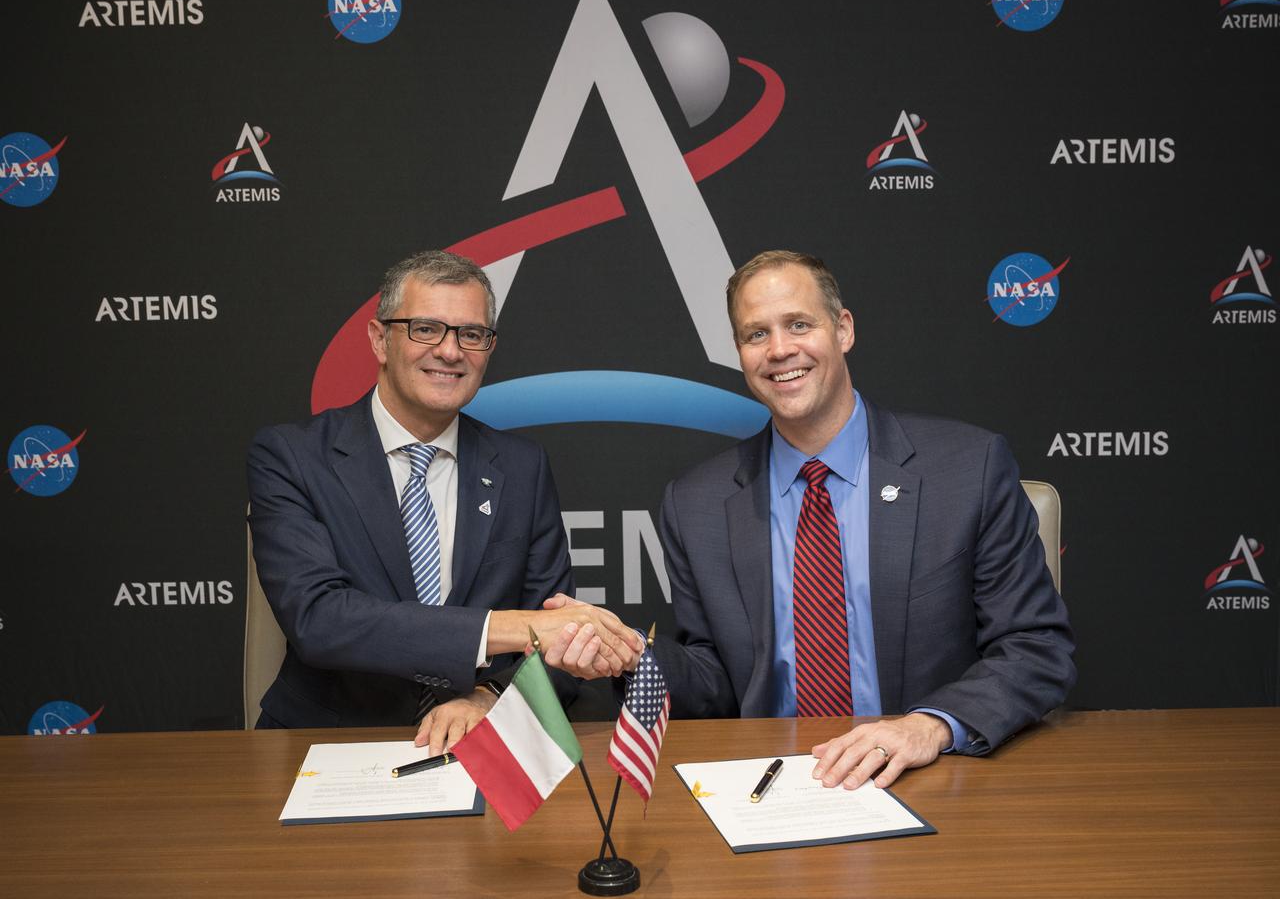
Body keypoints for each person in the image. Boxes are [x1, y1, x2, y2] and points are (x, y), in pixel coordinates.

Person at [542, 249, 1074, 790]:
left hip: (924, 775)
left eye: (798, 324)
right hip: (770, 784)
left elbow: (1035, 648)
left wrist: (928, 727)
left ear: (843, 329)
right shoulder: (696, 503)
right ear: (739, 352)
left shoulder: (966, 470)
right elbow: (718, 681)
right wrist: (632, 657)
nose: (779, 350)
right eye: (756, 334)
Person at [247, 250, 640, 752]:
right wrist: (519, 628)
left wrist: (486, 694)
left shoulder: (522, 467)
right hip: (330, 743)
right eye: (426, 328)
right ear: (379, 339)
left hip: (476, 748)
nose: (451, 352)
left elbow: (553, 644)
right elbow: (320, 620)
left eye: (471, 334)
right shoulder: (293, 456)